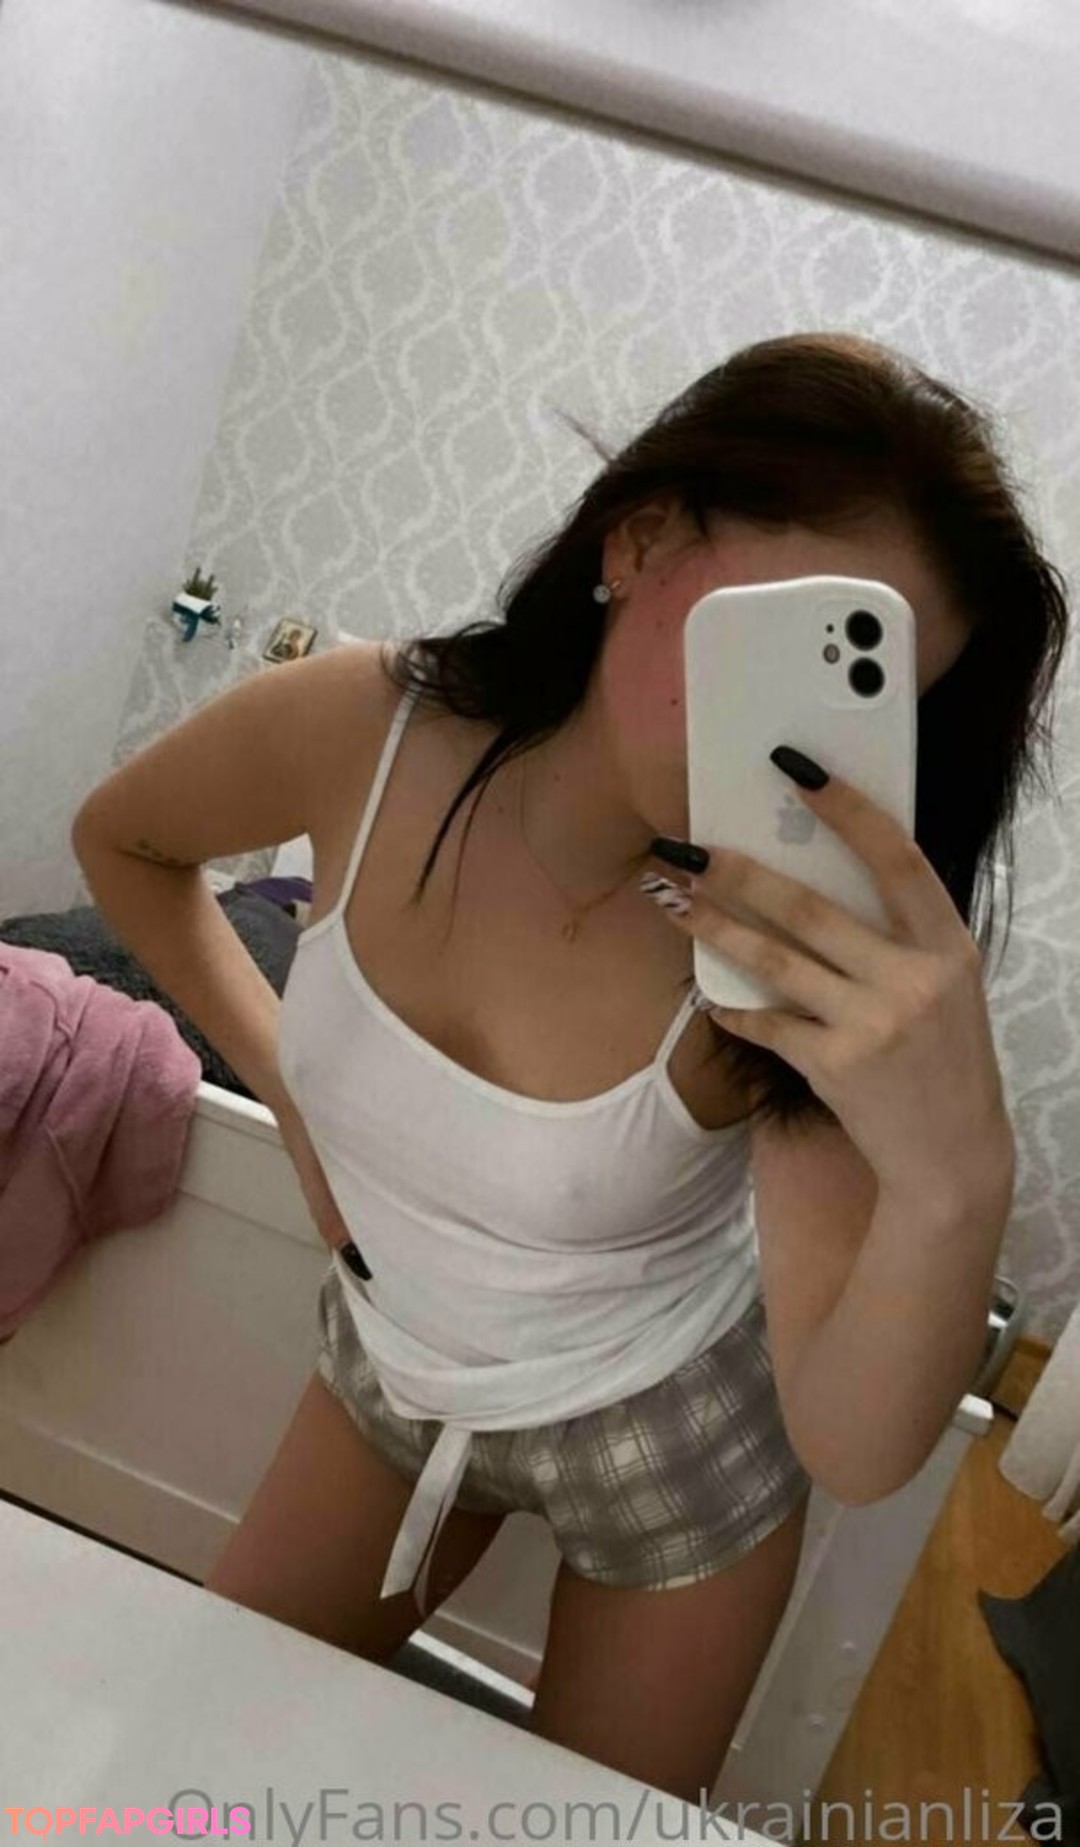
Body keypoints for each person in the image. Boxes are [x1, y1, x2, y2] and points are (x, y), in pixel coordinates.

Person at [73, 331, 1069, 1805]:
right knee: (187, 1774)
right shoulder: (359, 726)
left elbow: (857, 1446)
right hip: (397, 1363)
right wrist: (287, 1089)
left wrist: (956, 1174)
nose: (796, 745)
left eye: (866, 704)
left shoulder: (778, 950)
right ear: (639, 537)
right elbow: (127, 843)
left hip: (672, 1440)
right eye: (787, 648)